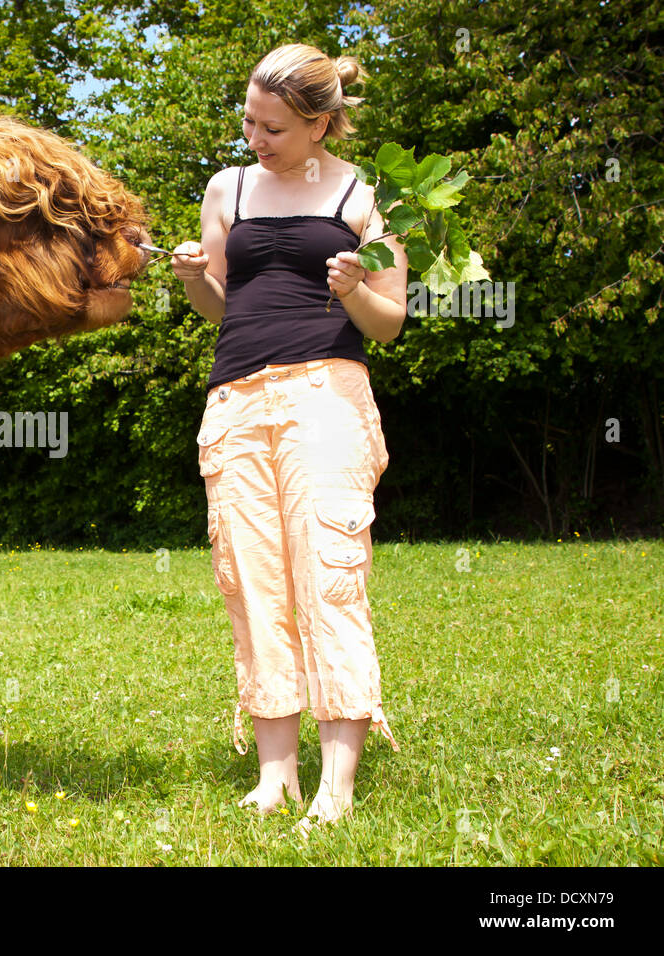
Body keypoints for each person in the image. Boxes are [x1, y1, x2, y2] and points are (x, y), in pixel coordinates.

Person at [170, 43, 408, 832]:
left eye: (272, 126)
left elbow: (391, 319)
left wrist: (350, 291)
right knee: (254, 578)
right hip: (235, 398)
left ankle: (336, 789)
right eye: (248, 120)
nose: (255, 138)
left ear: (321, 125)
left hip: (326, 396)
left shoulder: (368, 194)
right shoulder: (226, 187)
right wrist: (191, 279)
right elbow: (223, 304)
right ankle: (276, 778)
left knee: (328, 575)